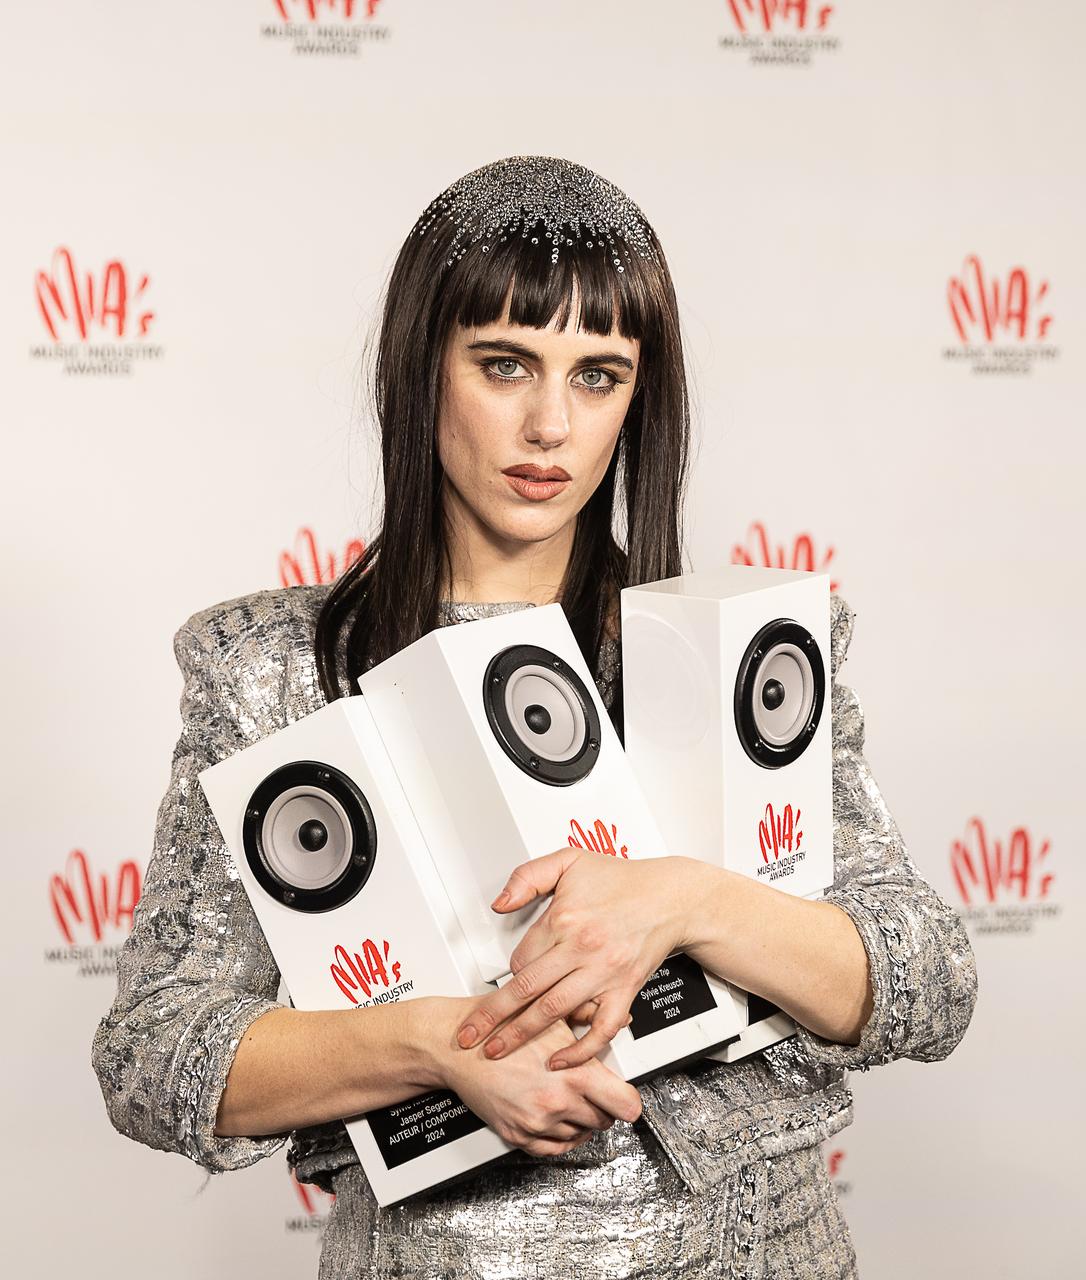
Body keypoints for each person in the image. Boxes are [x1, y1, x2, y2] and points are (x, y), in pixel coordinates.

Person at [91, 154, 978, 1279]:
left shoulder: (728, 647)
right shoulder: (271, 670)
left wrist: (683, 902)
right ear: (422, 367)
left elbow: (927, 982)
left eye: (599, 375)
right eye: (505, 364)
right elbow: (154, 1056)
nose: (551, 424)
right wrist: (439, 1044)